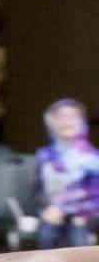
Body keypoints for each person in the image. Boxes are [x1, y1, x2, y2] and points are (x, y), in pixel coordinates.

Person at [34, 99, 99, 248]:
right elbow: (38, 189)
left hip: (83, 214)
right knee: (46, 236)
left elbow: (96, 194)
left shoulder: (93, 158)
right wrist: (47, 209)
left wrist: (83, 213)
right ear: (51, 122)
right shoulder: (44, 156)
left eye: (73, 116)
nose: (67, 122)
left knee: (78, 241)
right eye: (61, 117)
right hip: (51, 213)